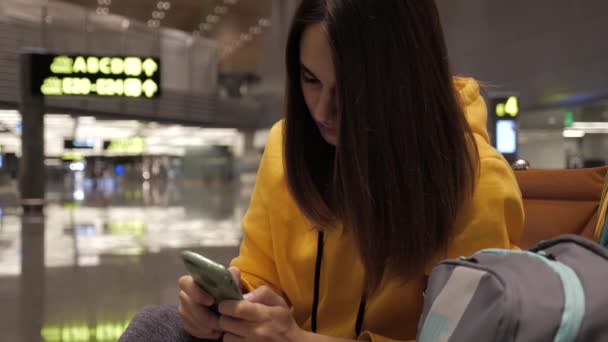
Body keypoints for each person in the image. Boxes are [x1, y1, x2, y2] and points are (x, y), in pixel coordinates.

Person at [120, 0, 523, 341]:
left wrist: (297, 338)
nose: (322, 112)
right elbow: (261, 274)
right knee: (156, 325)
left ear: (403, 84)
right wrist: (228, 306)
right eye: (310, 80)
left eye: (349, 91)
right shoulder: (287, 146)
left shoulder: (474, 182)